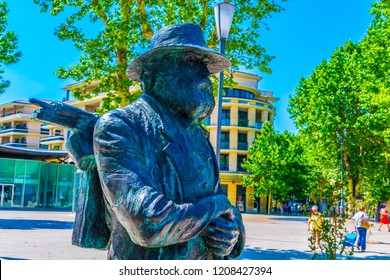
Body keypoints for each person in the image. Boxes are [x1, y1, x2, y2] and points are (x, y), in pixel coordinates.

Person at [67, 23, 245, 260]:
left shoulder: (199, 136)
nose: (205, 74)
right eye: (191, 61)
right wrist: (216, 207)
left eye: (206, 66)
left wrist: (231, 233)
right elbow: (147, 222)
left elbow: (222, 208)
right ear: (153, 74)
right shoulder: (120, 126)